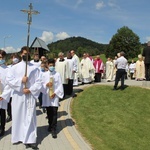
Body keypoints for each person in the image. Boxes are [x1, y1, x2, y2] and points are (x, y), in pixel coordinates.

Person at [0, 46, 41, 149]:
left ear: (30, 54)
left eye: (27, 53)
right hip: (18, 96)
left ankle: (30, 139)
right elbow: (9, 80)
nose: (25, 55)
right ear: (21, 54)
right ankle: (18, 136)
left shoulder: (35, 68)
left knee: (29, 117)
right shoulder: (14, 68)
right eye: (23, 53)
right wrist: (21, 82)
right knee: (19, 117)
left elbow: (39, 82)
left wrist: (30, 89)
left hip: (29, 96)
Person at [40, 58, 64, 138]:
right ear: (47, 65)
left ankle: (54, 129)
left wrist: (55, 93)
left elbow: (60, 85)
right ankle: (50, 125)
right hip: (47, 96)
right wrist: (46, 85)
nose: (52, 67)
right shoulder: (44, 75)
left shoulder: (57, 74)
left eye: (53, 65)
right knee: (49, 113)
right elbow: (41, 85)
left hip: (54, 96)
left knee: (54, 113)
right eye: (50, 65)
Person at [6, 53, 20, 123]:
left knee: (16, 104)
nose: (15, 59)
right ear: (11, 59)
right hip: (9, 89)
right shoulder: (8, 67)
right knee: (9, 103)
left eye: (16, 57)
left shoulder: (21, 67)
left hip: (18, 89)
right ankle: (9, 115)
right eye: (13, 57)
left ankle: (16, 115)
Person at [0, 50, 9, 137]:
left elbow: (9, 84)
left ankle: (2, 128)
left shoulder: (7, 70)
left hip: (2, 95)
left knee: (2, 112)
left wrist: (3, 95)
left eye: (2, 57)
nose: (1, 59)